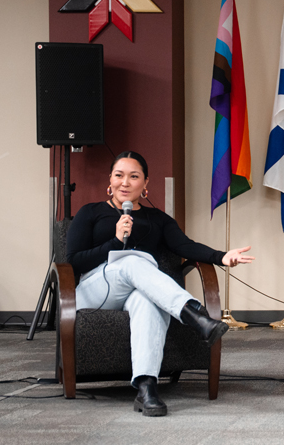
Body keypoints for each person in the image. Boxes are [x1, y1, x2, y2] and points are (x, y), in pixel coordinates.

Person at [66, 151, 254, 417]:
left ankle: (147, 389)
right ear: (110, 180)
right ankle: (194, 315)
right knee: (131, 261)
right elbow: (73, 262)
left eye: (134, 176)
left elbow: (186, 246)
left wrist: (222, 256)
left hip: (136, 292)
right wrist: (115, 241)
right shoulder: (90, 213)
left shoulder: (158, 219)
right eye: (119, 175)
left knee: (148, 302)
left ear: (146, 183)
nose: (125, 182)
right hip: (95, 291)